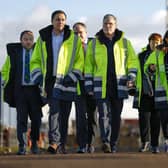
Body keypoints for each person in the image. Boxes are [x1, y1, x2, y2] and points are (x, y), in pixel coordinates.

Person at [30, 10, 84, 154]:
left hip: (67, 80)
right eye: (57, 19)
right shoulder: (42, 38)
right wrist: (38, 76)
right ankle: (54, 142)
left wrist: (72, 76)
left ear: (65, 21)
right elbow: (34, 60)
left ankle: (62, 144)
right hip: (51, 80)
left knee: (65, 114)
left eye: (62, 19)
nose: (60, 22)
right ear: (52, 21)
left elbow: (80, 61)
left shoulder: (74, 39)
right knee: (54, 111)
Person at [84, 14, 138, 153]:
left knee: (115, 116)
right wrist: (89, 85)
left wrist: (131, 76)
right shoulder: (94, 43)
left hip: (119, 85)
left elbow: (133, 61)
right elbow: (88, 66)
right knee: (103, 115)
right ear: (102, 25)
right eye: (106, 23)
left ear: (115, 25)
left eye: (111, 23)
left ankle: (113, 143)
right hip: (100, 85)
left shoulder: (125, 43)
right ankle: (105, 142)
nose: (108, 26)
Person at [1, 30, 42, 155]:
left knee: (36, 119)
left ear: (33, 41)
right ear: (21, 41)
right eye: (25, 39)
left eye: (30, 39)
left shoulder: (39, 53)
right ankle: (22, 146)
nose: (28, 41)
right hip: (21, 91)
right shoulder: (14, 54)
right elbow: (5, 70)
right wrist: (4, 82)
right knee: (21, 119)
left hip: (35, 91)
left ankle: (34, 143)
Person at [133, 33, 162, 153]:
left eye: (157, 42)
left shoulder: (163, 55)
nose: (154, 44)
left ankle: (155, 145)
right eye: (152, 41)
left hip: (158, 92)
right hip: (144, 92)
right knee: (144, 119)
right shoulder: (141, 56)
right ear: (149, 42)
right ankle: (145, 142)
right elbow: (135, 70)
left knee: (156, 120)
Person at [73, 22, 97, 153]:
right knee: (80, 116)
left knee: (92, 117)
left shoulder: (95, 46)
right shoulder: (70, 48)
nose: (78, 35)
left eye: (80, 32)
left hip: (92, 84)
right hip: (78, 85)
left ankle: (90, 143)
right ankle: (82, 145)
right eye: (75, 33)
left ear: (86, 33)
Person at [144, 30, 168, 153]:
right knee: (164, 120)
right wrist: (150, 68)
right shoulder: (158, 53)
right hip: (162, 95)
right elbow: (147, 68)